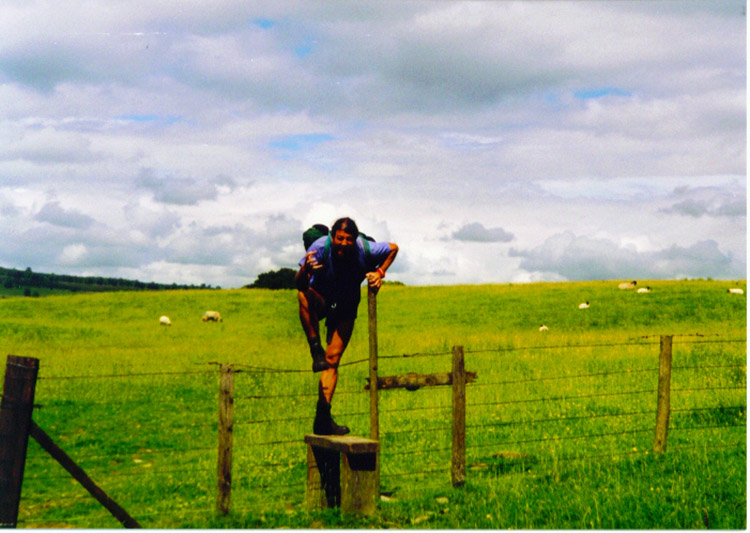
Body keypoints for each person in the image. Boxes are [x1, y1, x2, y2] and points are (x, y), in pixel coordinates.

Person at [296, 217, 398, 435]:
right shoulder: (319, 247)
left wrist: (380, 273)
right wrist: (305, 268)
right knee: (302, 295)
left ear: (354, 240)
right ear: (332, 237)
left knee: (332, 361)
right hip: (321, 296)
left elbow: (393, 248)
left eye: (348, 239)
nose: (343, 243)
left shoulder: (365, 248)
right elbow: (299, 283)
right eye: (340, 238)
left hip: (347, 301)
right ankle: (315, 348)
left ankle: (322, 419)